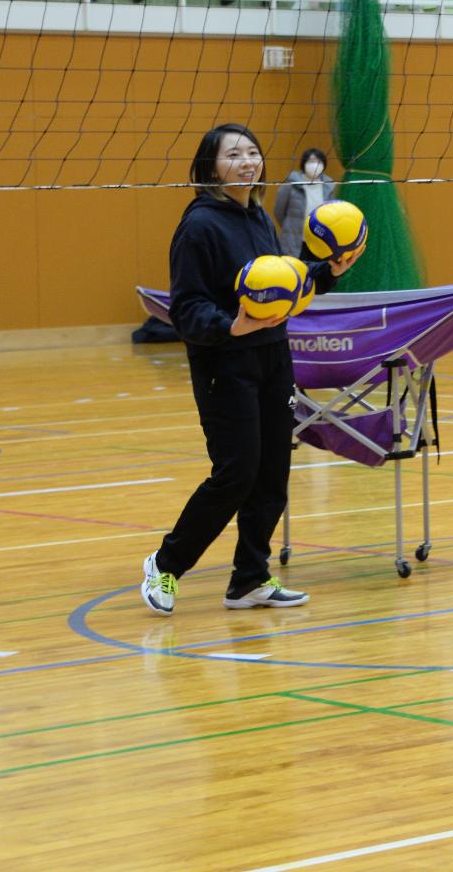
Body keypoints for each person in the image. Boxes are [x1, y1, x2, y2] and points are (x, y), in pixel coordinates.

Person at [140, 123, 365, 616]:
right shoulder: (199, 226)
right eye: (234, 154)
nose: (248, 160)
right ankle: (165, 564)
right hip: (225, 362)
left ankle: (249, 579)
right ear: (209, 167)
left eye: (253, 152)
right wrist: (230, 327)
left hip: (271, 356)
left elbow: (282, 286)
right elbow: (187, 308)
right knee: (236, 473)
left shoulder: (258, 216)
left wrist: (328, 272)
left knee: (271, 473)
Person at [270, 147, 339, 261]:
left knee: (316, 274)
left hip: (319, 242)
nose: (315, 165)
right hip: (294, 242)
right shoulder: (292, 183)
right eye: (311, 161)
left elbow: (331, 215)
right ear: (304, 163)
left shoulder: (328, 186)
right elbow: (279, 211)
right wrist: (291, 228)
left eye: (319, 161)